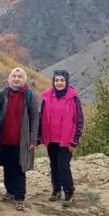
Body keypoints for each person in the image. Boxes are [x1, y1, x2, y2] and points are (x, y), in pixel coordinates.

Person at [0, 67, 41, 211]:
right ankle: (10, 191)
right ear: (10, 78)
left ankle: (20, 197)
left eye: (19, 76)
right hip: (5, 138)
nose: (16, 79)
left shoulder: (29, 95)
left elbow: (34, 118)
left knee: (19, 168)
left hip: (21, 140)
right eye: (14, 76)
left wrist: (33, 139)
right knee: (7, 167)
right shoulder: (3, 93)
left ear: (24, 79)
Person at [39, 69, 84, 208]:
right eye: (56, 80)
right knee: (53, 165)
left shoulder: (73, 98)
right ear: (53, 81)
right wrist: (39, 137)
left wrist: (74, 140)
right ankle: (56, 189)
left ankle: (69, 191)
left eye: (62, 80)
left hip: (66, 139)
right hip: (51, 138)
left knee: (63, 166)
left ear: (66, 82)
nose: (59, 83)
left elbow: (79, 120)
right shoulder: (47, 97)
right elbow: (42, 118)